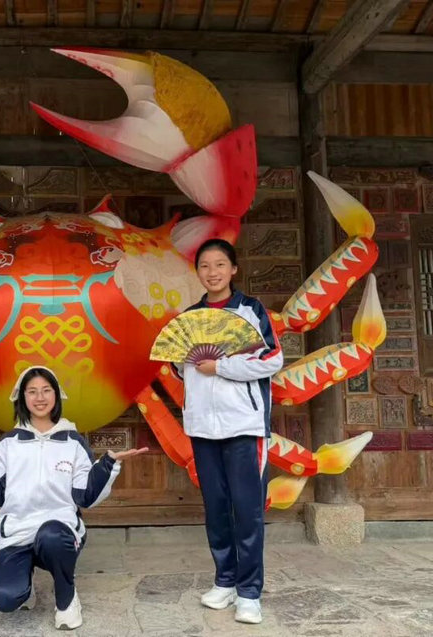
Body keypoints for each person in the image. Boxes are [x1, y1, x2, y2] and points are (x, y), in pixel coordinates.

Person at [0, 366, 147, 630]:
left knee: (52, 535)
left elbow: (86, 496)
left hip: (59, 532)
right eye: (32, 391)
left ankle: (66, 599)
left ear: (56, 395)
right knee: (4, 598)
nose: (40, 397)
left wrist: (108, 464)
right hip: (17, 532)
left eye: (46, 390)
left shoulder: (73, 442)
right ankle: (24, 584)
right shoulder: (9, 444)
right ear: (22, 397)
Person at [174, 238, 283, 625]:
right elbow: (179, 368)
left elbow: (272, 359)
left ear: (233, 269)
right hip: (202, 427)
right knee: (216, 508)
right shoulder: (189, 318)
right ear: (198, 272)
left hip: (244, 426)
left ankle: (249, 592)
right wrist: (189, 363)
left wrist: (220, 367)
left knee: (247, 510)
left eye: (220, 264)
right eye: (205, 266)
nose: (213, 272)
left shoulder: (251, 311)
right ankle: (225, 580)